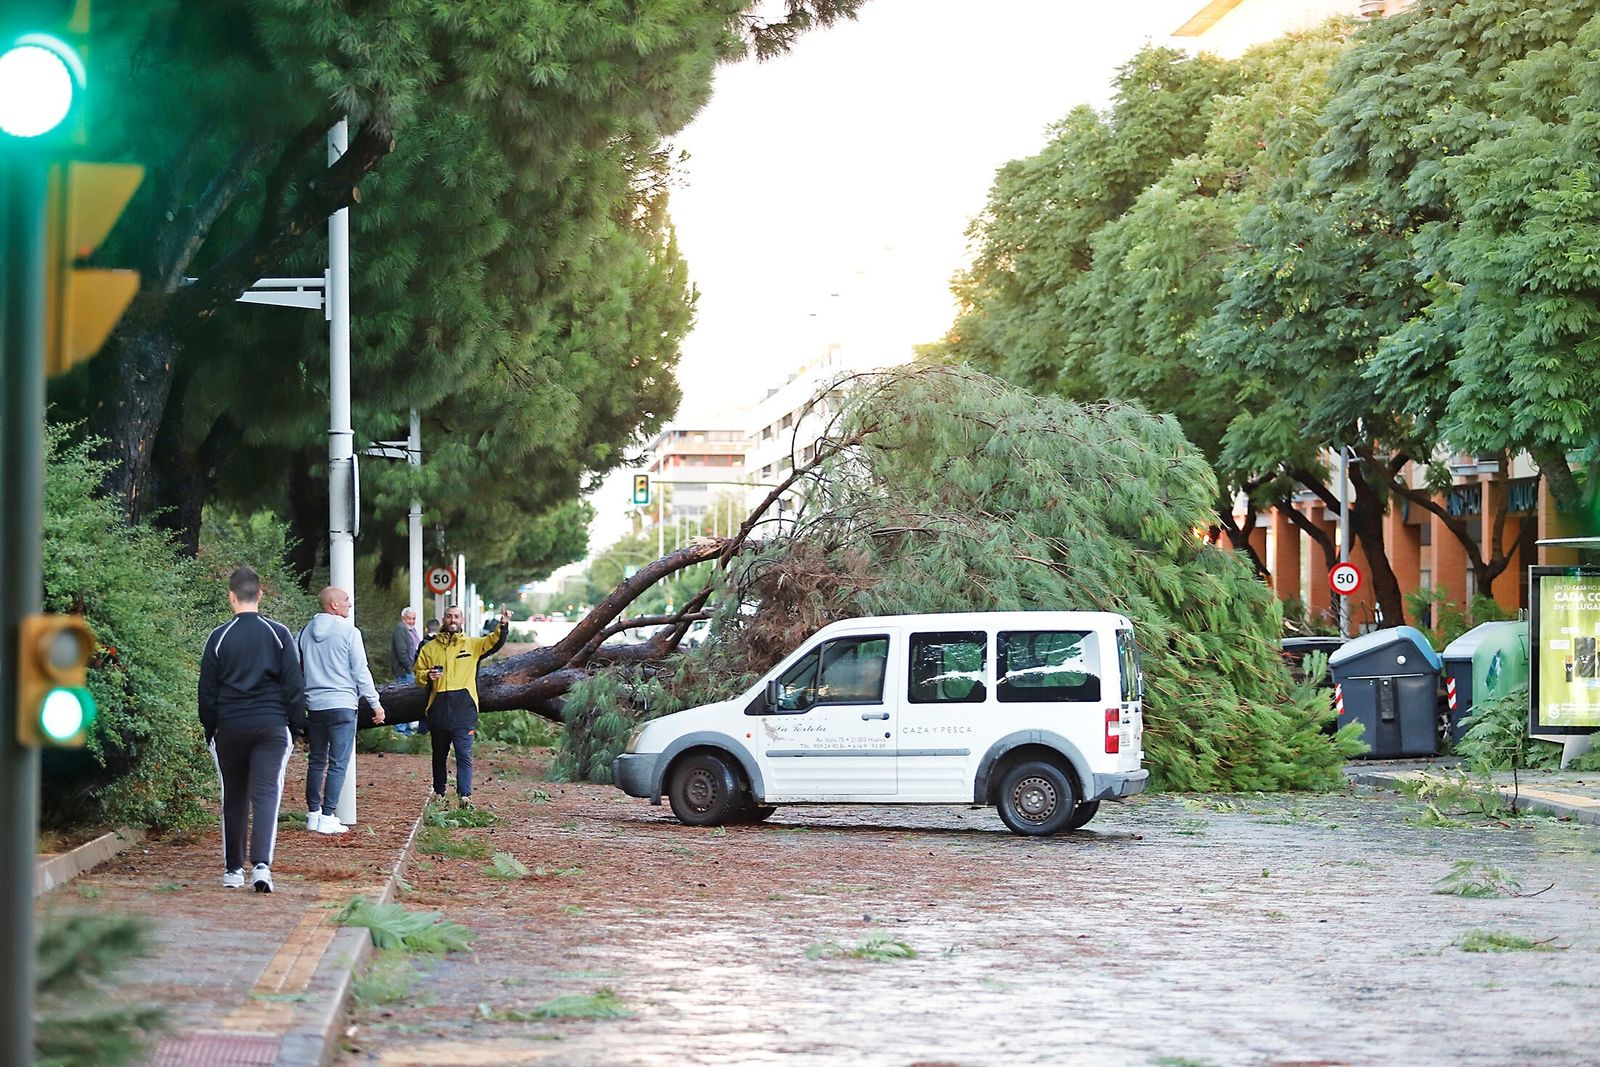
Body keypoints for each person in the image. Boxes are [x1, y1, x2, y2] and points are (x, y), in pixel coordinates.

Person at [199, 566, 305, 893]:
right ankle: (261, 866)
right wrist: (297, 727)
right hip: (271, 727)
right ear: (260, 595)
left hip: (229, 727)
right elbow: (294, 686)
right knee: (266, 794)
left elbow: (207, 692)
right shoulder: (279, 634)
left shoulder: (218, 637)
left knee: (233, 797)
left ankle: (233, 870)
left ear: (231, 597)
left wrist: (211, 729)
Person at [297, 586, 385, 834]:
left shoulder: (304, 632)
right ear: (333, 605)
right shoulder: (349, 632)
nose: (350, 603)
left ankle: (313, 814)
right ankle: (327, 816)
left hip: (315, 705)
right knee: (338, 763)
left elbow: (295, 666)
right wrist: (375, 703)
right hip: (343, 705)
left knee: (316, 760)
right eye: (346, 599)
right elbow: (360, 671)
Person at [414, 604, 510, 806]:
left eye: (456, 616)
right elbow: (418, 675)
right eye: (449, 616)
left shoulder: (473, 645)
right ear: (443, 619)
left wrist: (503, 625)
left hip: (464, 709)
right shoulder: (429, 648)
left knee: (463, 754)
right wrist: (427, 676)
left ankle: (464, 796)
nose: (452, 620)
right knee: (439, 754)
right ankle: (439, 792)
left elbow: (493, 642)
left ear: (462, 620)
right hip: (438, 708)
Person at [389, 608, 422, 736]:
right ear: (403, 618)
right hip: (405, 671)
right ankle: (401, 731)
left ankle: (407, 730)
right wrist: (410, 669)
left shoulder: (411, 630)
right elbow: (401, 651)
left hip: (411, 670)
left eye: (414, 618)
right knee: (403, 701)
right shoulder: (401, 628)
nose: (412, 621)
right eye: (409, 618)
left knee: (409, 702)